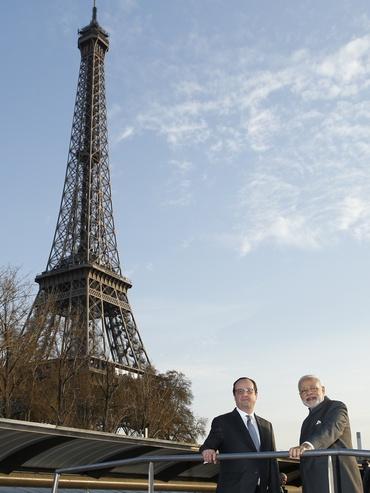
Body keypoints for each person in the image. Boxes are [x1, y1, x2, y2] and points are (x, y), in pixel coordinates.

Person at [200, 376, 280, 492]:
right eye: (240, 391)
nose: (245, 394)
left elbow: (272, 461)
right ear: (234, 396)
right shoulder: (222, 421)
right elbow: (208, 445)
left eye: (249, 391)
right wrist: (207, 450)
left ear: (256, 395)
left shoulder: (267, 425)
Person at [289, 374, 362, 493]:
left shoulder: (336, 407)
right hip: (313, 484)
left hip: (337, 480)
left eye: (313, 388)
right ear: (300, 396)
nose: (308, 393)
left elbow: (332, 428)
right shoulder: (306, 423)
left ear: (323, 390)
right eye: (304, 391)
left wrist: (307, 446)